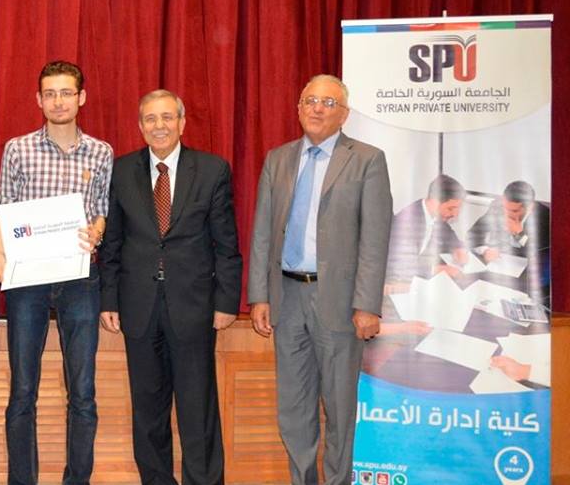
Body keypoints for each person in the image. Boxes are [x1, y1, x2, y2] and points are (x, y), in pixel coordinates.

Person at [248, 74, 392, 485]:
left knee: (339, 407)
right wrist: (259, 295)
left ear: (344, 114)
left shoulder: (367, 160)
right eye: (310, 100)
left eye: (328, 103)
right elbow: (262, 232)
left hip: (341, 303)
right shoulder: (278, 159)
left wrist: (367, 305)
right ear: (298, 109)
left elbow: (375, 238)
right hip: (287, 297)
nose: (317, 108)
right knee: (293, 409)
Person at [98, 89, 242, 485]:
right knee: (147, 410)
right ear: (140, 126)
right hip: (138, 306)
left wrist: (227, 302)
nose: (158, 126)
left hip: (194, 307)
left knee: (198, 409)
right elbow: (113, 244)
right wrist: (109, 299)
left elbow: (226, 244)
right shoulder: (122, 170)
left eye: (166, 117)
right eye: (150, 118)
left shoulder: (211, 170)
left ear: (181, 123)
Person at [0, 61, 113, 485]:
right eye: (50, 94)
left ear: (81, 98)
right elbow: (3, 207)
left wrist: (97, 231)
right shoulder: (18, 149)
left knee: (83, 391)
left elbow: (102, 210)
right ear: (39, 100)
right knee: (23, 390)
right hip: (27, 279)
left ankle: (77, 479)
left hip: (81, 279)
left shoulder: (101, 152)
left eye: (66, 93)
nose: (58, 101)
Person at [467, 180, 551, 307]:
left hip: (526, 272)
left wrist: (520, 234)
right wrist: (485, 250)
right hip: (499, 263)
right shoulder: (497, 206)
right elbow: (472, 235)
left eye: (514, 211)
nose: (507, 214)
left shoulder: (544, 216)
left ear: (530, 206)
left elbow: (542, 255)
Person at [387, 174, 468, 282]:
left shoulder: (437, 217)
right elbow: (402, 265)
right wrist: (438, 269)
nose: (455, 215)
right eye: (451, 208)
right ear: (435, 201)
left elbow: (448, 233)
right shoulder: (407, 222)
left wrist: (458, 248)